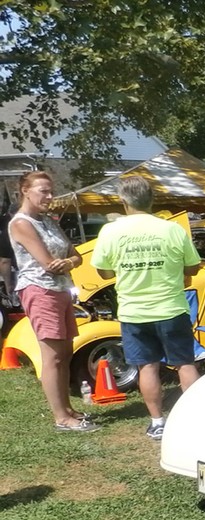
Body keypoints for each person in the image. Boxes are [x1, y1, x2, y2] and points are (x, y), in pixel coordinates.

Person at [91, 175, 201, 439]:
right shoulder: (172, 229)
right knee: (185, 364)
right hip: (171, 308)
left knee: (147, 367)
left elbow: (103, 273)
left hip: (134, 311)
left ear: (123, 201)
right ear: (151, 199)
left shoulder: (111, 231)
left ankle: (157, 421)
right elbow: (194, 266)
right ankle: (197, 419)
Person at [7, 171, 99, 431]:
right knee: (53, 357)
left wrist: (69, 261)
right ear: (25, 191)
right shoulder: (21, 223)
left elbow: (75, 256)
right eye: (43, 191)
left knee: (66, 352)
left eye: (51, 191)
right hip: (39, 291)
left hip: (61, 290)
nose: (49, 196)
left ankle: (68, 409)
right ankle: (61, 417)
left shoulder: (48, 220)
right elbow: (48, 264)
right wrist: (66, 262)